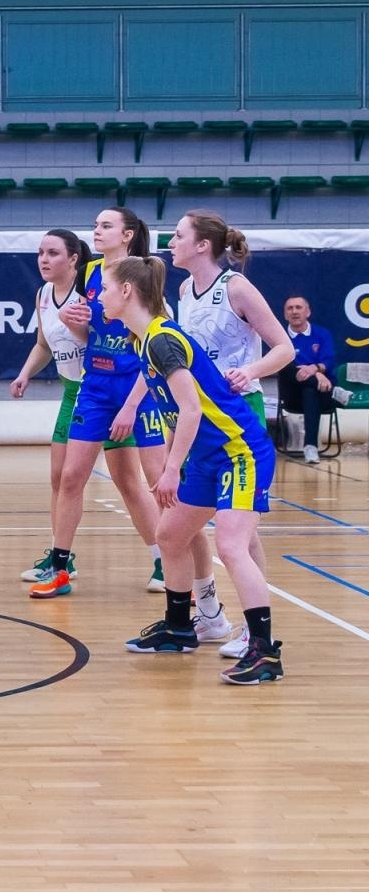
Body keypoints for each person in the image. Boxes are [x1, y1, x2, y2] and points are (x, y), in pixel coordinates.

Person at [103, 256, 283, 685]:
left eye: (106, 288)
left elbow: (189, 411)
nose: (100, 296)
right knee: (170, 534)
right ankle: (180, 627)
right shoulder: (143, 340)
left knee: (232, 546)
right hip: (207, 458)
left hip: (239, 451)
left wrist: (169, 468)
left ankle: (264, 652)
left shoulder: (163, 340)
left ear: (127, 291)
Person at [169, 210, 295, 652]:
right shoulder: (185, 290)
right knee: (225, 530)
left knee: (242, 534)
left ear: (203, 245)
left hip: (242, 412)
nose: (171, 241)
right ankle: (213, 619)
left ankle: (255, 631)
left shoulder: (236, 287)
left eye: (179, 235)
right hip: (205, 418)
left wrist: (251, 370)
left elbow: (284, 347)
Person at [33, 207, 169, 599]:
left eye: (105, 225)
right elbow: (84, 336)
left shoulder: (142, 274)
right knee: (71, 477)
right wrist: (73, 320)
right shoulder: (90, 274)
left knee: (152, 483)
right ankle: (60, 567)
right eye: (94, 224)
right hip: (94, 387)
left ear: (127, 235)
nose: (96, 230)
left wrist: (130, 406)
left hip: (135, 391)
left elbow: (158, 347)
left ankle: (172, 563)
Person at [9, 230, 91, 588]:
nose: (43, 259)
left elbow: (105, 341)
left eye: (53, 253)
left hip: (103, 394)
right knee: (59, 479)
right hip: (71, 393)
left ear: (73, 258)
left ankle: (161, 561)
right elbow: (43, 343)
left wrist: (83, 328)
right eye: (41, 252)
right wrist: (25, 373)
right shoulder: (43, 294)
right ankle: (62, 558)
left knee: (131, 484)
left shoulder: (90, 289)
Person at [277, 295, 337, 464]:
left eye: (298, 307)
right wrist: (316, 373)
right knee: (286, 365)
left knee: (310, 391)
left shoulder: (322, 334)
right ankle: (336, 392)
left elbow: (329, 360)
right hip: (291, 395)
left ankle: (310, 447)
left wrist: (315, 369)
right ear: (284, 315)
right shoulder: (280, 336)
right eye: (290, 308)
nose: (294, 311)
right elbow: (284, 364)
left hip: (320, 393)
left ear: (308, 312)